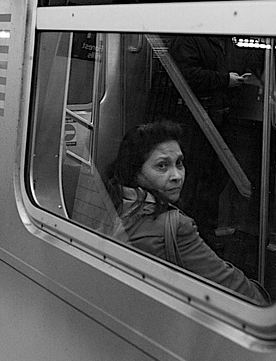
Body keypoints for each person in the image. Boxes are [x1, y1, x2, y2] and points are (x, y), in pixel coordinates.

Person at [104, 121, 267, 304]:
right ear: (135, 172)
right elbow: (234, 288)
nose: (177, 176)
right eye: (162, 166)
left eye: (179, 163)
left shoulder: (110, 201)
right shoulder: (177, 227)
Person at [166, 34, 262, 252]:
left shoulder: (225, 41)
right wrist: (225, 80)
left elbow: (246, 58)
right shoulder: (189, 40)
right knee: (195, 183)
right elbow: (186, 76)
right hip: (195, 122)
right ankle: (189, 237)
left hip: (218, 120)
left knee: (213, 182)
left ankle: (205, 234)